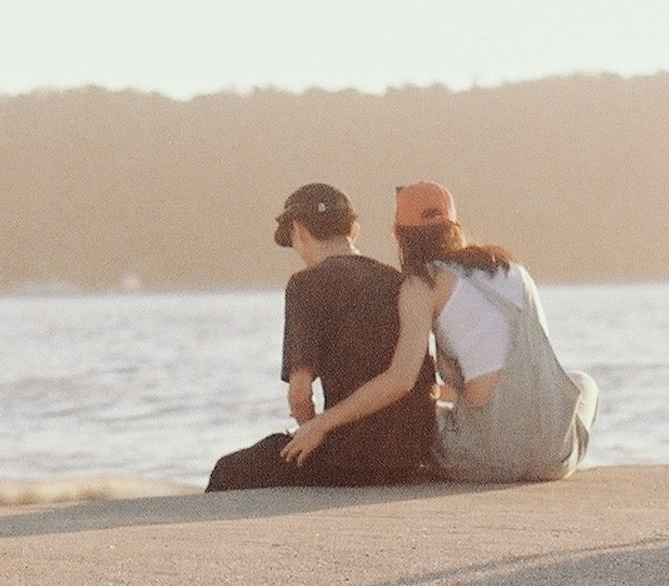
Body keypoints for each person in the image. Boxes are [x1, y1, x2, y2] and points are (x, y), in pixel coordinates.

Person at [281, 182, 598, 485]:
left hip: (484, 458)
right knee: (584, 382)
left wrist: (323, 423)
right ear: (454, 225)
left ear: (399, 234)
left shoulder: (423, 284)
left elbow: (401, 380)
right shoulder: (513, 269)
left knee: (417, 419)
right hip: (554, 455)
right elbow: (513, 375)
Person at [205, 183, 437, 492]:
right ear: (353, 229)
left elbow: (300, 397)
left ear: (299, 231)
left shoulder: (306, 285)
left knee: (229, 470)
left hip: (352, 464)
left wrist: (312, 430)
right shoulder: (400, 283)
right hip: (411, 458)